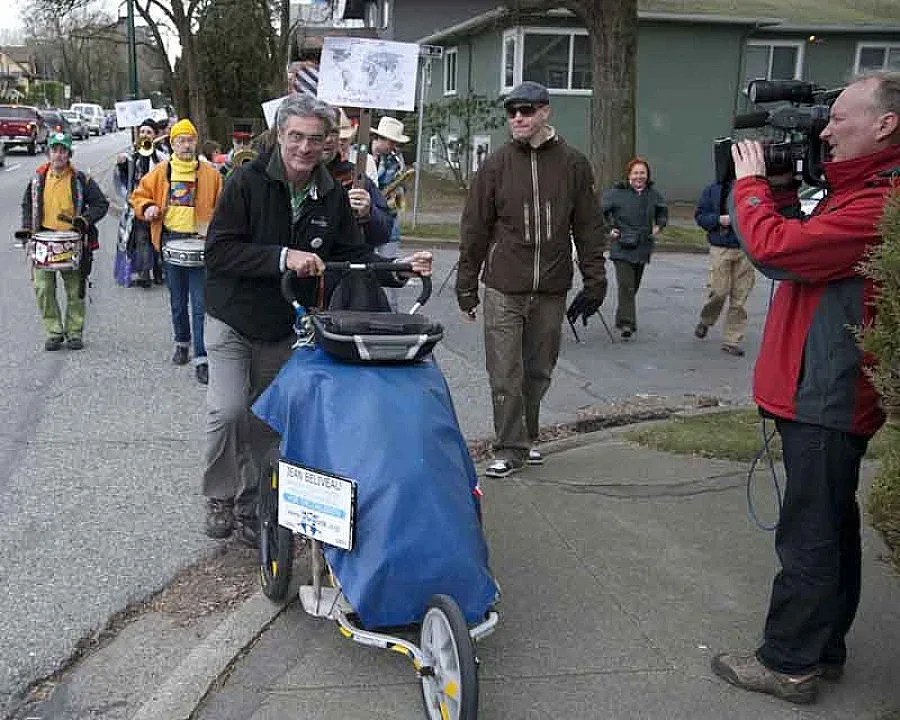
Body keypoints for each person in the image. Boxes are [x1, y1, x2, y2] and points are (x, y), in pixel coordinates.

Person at [710, 71, 900, 705]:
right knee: (832, 523)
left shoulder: (880, 202)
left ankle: (788, 662)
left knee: (810, 532)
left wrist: (751, 186)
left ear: (885, 124)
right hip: (823, 388)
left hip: (826, 393)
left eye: (841, 117)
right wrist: (787, 190)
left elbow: (775, 250)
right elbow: (804, 245)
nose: (826, 129)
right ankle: (825, 647)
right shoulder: (862, 189)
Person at [201, 93, 433, 546]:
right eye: (296, 137)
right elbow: (220, 251)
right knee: (228, 410)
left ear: (327, 142)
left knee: (266, 421)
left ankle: (252, 508)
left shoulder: (331, 195)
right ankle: (219, 495)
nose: (304, 148)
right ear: (280, 135)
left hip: (288, 321)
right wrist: (284, 258)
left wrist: (402, 266)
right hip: (231, 316)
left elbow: (353, 257)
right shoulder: (246, 182)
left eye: (314, 139)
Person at [456, 80, 607, 479]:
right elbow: (474, 228)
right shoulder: (495, 166)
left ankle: (527, 436)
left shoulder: (573, 164)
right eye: (511, 112)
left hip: (551, 288)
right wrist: (466, 285)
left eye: (525, 110)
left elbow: (589, 227)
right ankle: (508, 446)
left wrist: (596, 281)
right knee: (505, 372)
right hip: (504, 285)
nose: (517, 118)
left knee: (538, 370)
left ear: (545, 112)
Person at [130, 119, 224, 384]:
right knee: (177, 301)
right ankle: (182, 342)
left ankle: (201, 357)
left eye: (190, 140)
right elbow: (139, 195)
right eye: (180, 141)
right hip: (170, 241)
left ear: (196, 142)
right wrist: (148, 207)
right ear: (172, 144)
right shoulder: (161, 172)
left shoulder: (211, 174)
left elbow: (223, 207)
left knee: (200, 303)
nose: (186, 145)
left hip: (200, 243)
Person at [20, 131, 109, 351]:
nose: (58, 155)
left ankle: (74, 332)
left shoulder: (81, 180)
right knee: (43, 288)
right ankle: (54, 331)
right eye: (54, 150)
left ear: (69, 154)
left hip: (71, 241)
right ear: (48, 152)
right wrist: (27, 231)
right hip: (43, 241)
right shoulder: (37, 179)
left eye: (62, 151)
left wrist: (84, 221)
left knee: (75, 288)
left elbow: (101, 204)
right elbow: (27, 206)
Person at [600, 157, 668, 339]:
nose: (639, 176)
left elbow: (662, 212)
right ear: (629, 175)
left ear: (647, 175)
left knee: (633, 286)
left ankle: (622, 315)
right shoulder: (616, 193)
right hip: (622, 245)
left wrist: (659, 226)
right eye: (636, 173)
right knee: (627, 285)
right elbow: (599, 212)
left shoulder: (653, 194)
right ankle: (627, 324)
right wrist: (609, 229)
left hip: (642, 245)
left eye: (642, 173)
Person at [692, 178, 756, 356]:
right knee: (718, 292)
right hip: (720, 247)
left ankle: (732, 340)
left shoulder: (754, 189)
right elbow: (700, 216)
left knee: (740, 298)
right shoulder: (713, 189)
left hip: (745, 248)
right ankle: (706, 320)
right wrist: (718, 220)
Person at [322, 108, 393, 251]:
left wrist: (368, 214)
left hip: (346, 265)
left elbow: (383, 234)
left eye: (337, 136)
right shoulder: (290, 177)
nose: (330, 141)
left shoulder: (355, 175)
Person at [115, 117, 166, 287]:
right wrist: (122, 164)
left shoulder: (161, 157)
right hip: (138, 205)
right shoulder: (132, 156)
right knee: (141, 238)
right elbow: (124, 180)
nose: (145, 134)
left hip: (157, 203)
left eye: (149, 132)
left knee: (157, 239)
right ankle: (144, 273)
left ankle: (159, 272)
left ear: (155, 135)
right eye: (142, 131)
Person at [371, 115, 410, 259]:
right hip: (368, 219)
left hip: (389, 220)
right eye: (392, 142)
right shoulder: (364, 155)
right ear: (380, 138)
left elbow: (402, 190)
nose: (395, 147)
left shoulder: (396, 159)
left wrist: (399, 191)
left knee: (387, 264)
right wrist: (375, 160)